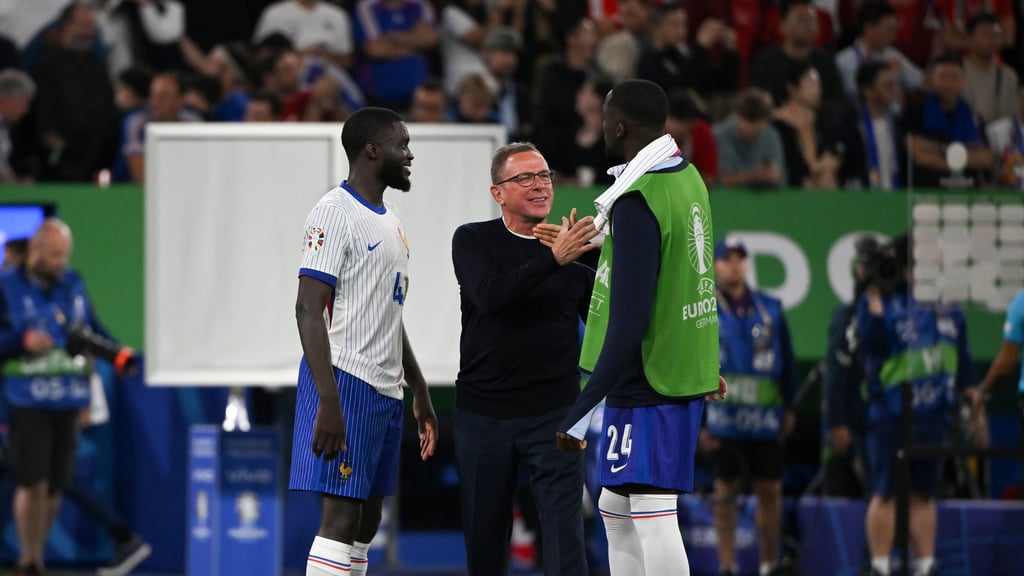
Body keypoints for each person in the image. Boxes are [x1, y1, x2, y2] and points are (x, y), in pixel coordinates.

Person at [554, 79, 726, 575]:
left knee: (652, 512)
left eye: (606, 118)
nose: (603, 127)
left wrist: (581, 409)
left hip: (651, 375)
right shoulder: (686, 176)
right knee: (615, 505)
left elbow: (629, 322)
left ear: (620, 126)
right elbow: (689, 277)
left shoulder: (636, 200)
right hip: (672, 365)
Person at [288, 107, 438, 576]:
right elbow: (308, 308)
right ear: (373, 149)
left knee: (366, 523)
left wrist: (419, 389)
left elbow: (390, 314)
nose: (409, 153)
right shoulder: (334, 211)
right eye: (402, 143)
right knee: (339, 518)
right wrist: (328, 400)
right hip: (345, 382)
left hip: (385, 391)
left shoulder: (390, 218)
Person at [451, 141, 599, 575]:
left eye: (545, 175)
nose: (540, 185)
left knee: (565, 542)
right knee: (485, 544)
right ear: (498, 192)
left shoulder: (573, 258)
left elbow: (612, 322)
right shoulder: (473, 239)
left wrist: (599, 256)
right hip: (483, 416)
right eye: (525, 178)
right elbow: (491, 296)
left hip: (554, 416)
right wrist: (553, 259)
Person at [0, 219, 136, 576]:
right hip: (27, 398)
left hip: (69, 397)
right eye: (54, 256)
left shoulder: (72, 283)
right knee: (32, 481)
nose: (60, 262)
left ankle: (36, 556)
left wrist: (118, 354)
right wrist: (20, 342)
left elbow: (91, 327)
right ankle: (30, 561)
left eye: (64, 256)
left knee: (55, 485)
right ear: (35, 251)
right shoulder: (6, 286)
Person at [857, 234, 986, 576]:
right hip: (892, 412)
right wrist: (873, 290)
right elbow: (870, 343)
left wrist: (975, 403)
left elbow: (964, 360)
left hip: (934, 415)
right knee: (885, 492)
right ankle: (880, 565)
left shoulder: (948, 306)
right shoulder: (886, 299)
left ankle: (926, 564)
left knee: (923, 493)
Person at [706, 238, 796, 576]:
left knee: (769, 491)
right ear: (715, 265)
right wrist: (701, 425)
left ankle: (768, 564)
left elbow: (786, 359)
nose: (734, 265)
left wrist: (789, 408)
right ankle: (726, 566)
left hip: (764, 421)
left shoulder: (769, 308)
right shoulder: (705, 308)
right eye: (727, 259)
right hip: (723, 421)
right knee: (725, 493)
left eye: (740, 259)